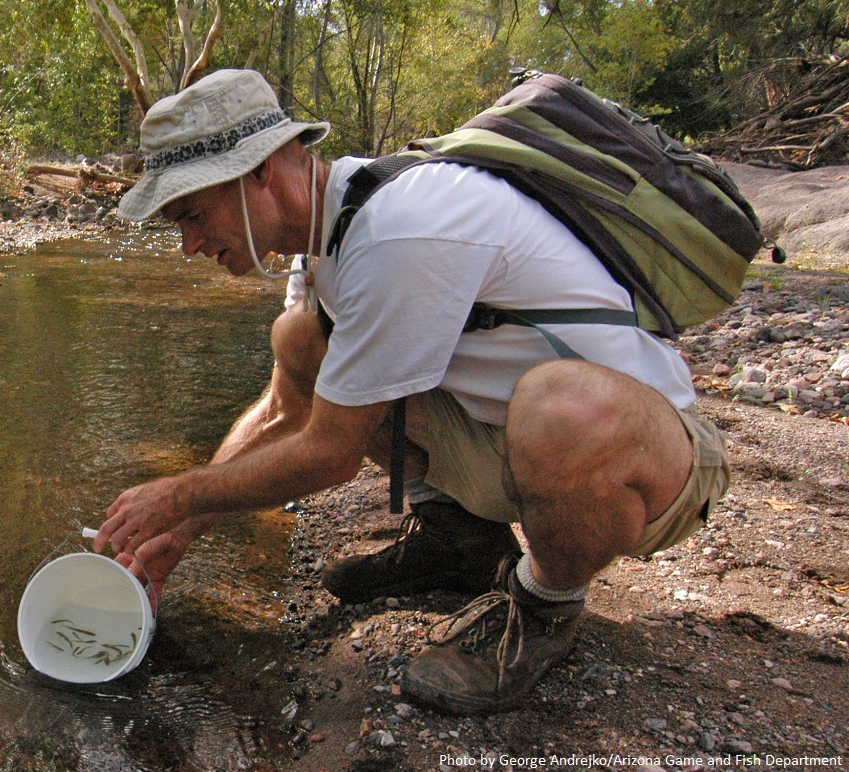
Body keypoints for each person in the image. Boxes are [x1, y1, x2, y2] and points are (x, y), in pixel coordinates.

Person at [91, 68, 730, 715]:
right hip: (516, 444)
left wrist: (174, 492)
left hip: (653, 464)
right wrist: (182, 528)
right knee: (302, 342)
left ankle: (543, 609)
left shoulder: (401, 227)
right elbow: (288, 407)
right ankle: (460, 545)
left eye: (194, 215)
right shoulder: (325, 243)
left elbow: (330, 451)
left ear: (260, 172)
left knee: (558, 406)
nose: (188, 245)